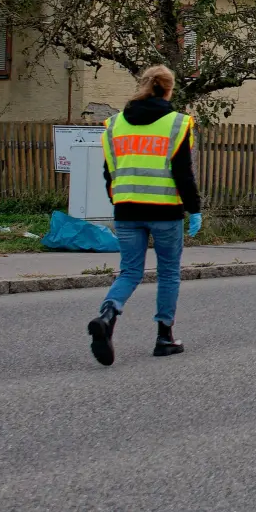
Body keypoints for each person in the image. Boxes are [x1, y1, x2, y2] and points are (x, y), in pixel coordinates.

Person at [87, 65, 201, 366]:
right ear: (169, 89)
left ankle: (108, 314)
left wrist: (118, 199)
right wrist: (195, 209)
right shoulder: (177, 123)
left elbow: (108, 172)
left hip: (126, 209)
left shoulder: (114, 125)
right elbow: (183, 174)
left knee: (130, 272)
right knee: (168, 273)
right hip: (165, 211)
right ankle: (165, 337)